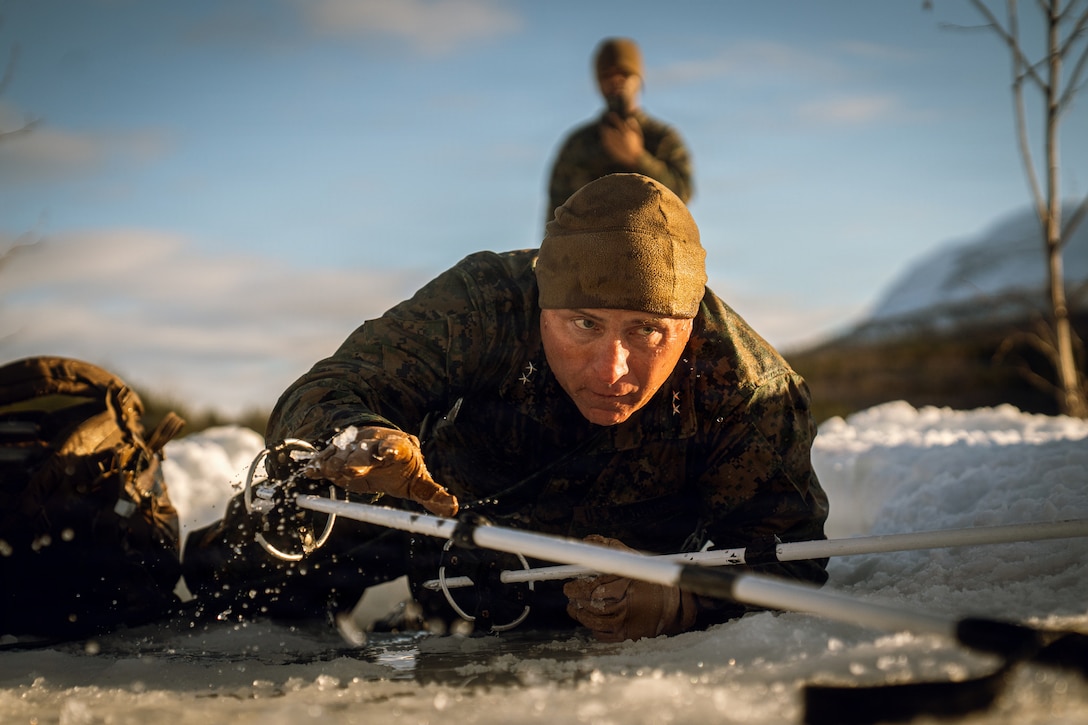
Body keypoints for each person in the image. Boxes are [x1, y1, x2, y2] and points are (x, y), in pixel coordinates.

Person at [183, 173, 828, 643]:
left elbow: (791, 560)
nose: (612, 370)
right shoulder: (486, 302)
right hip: (437, 531)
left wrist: (679, 607)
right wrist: (361, 440)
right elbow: (327, 388)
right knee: (267, 553)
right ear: (543, 301)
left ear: (690, 325)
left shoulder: (750, 389)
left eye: (646, 333)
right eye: (582, 324)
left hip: (602, 588)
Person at [544, 37, 694, 225]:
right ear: (599, 83)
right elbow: (555, 215)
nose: (616, 81)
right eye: (607, 75)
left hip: (654, 249)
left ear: (638, 79)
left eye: (624, 73)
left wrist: (638, 158)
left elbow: (683, 194)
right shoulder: (578, 143)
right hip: (587, 250)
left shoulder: (663, 138)